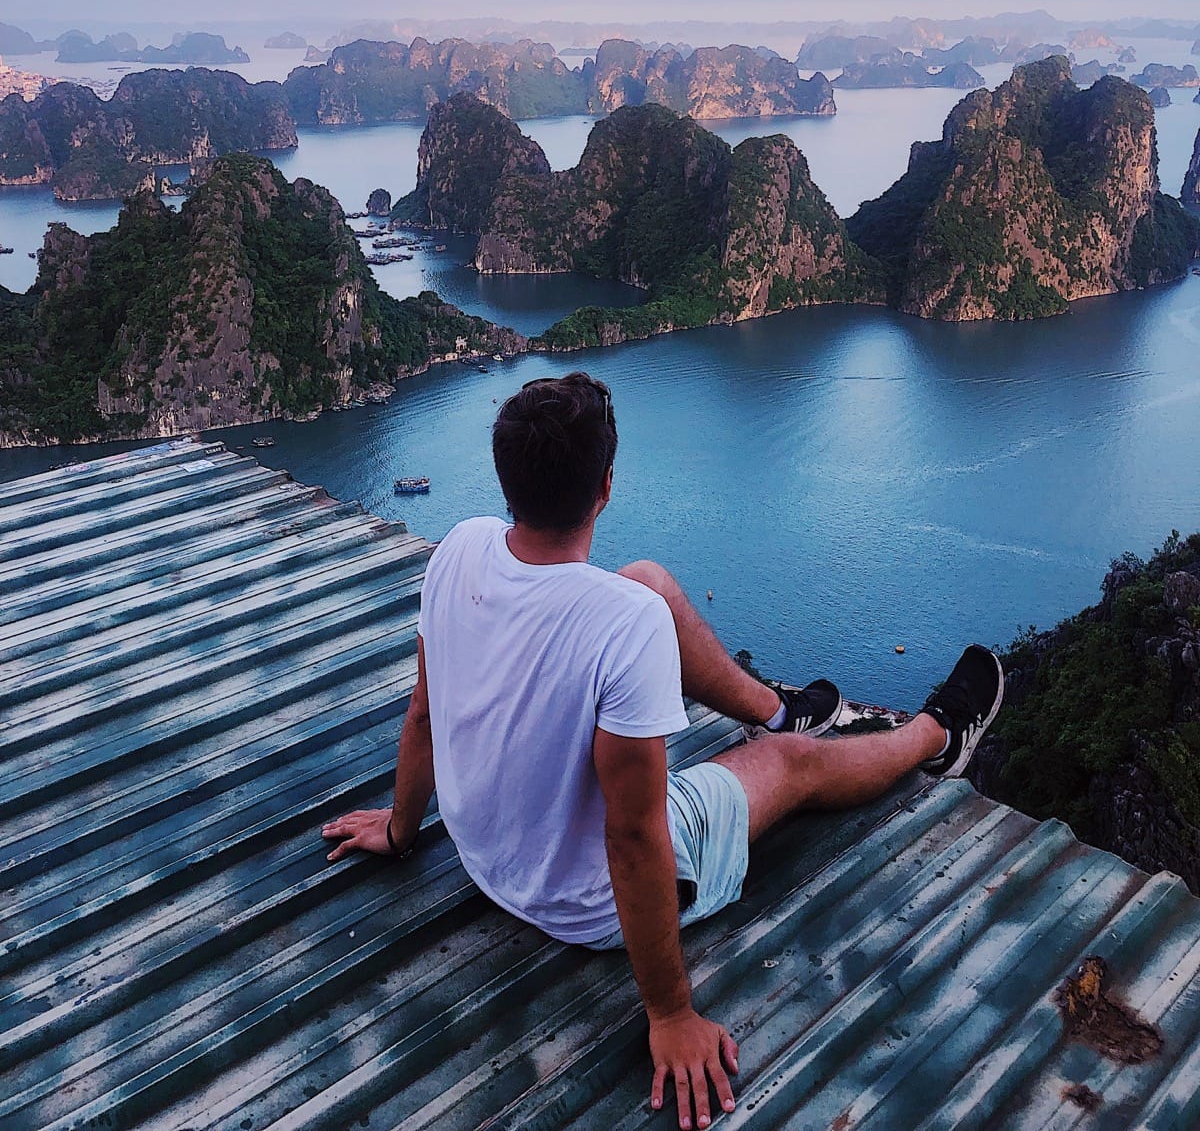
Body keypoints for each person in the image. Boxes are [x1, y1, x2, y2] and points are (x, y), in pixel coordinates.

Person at [323, 372, 1004, 1130]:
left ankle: (785, 710)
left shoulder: (457, 548)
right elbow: (634, 835)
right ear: (606, 487)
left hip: (483, 855)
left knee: (646, 579)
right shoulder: (624, 629)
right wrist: (671, 1013)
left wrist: (399, 828)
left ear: (505, 478)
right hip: (581, 904)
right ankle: (939, 735)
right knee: (786, 767)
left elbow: (421, 714)